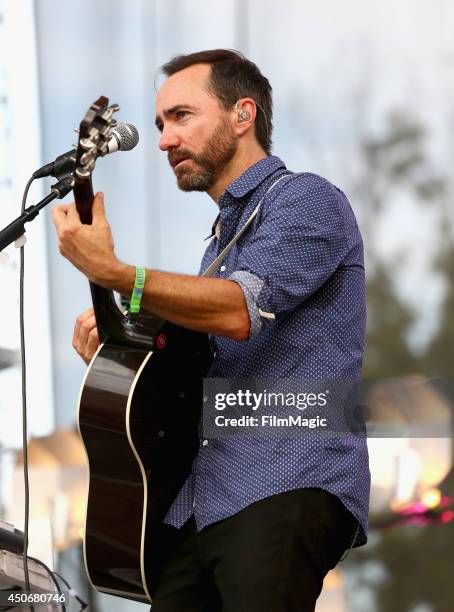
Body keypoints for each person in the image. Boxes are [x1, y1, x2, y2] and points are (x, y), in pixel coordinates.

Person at [52, 49, 370, 612]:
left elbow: (241, 311)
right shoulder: (218, 245)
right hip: (201, 502)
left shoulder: (307, 199)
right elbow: (196, 380)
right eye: (159, 124)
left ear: (242, 115)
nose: (164, 141)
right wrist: (121, 358)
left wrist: (120, 275)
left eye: (181, 116)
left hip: (284, 477)